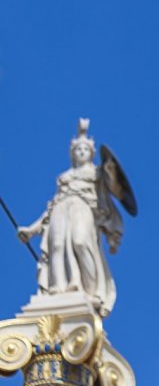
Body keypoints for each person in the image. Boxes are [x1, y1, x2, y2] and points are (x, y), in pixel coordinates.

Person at [16, 119, 126, 316]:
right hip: (61, 208)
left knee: (80, 242)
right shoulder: (64, 177)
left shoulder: (96, 173)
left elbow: (118, 191)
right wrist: (31, 230)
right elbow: (49, 209)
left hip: (82, 208)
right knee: (57, 245)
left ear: (91, 154)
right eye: (78, 149)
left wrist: (110, 172)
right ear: (72, 153)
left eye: (85, 149)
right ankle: (57, 289)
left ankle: (92, 292)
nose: (81, 152)